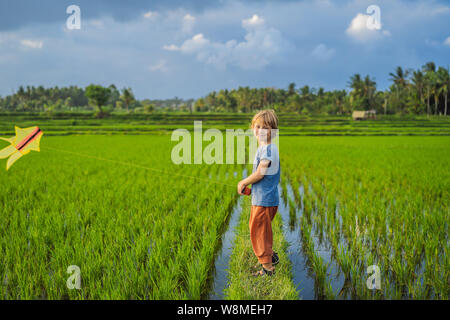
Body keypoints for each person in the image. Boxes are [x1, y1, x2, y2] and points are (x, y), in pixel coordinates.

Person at [237, 109, 280, 276]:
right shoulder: (265, 148)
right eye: (258, 126)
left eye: (266, 128)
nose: (261, 131)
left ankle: (268, 269)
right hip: (263, 198)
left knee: (260, 233)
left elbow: (261, 173)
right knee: (258, 229)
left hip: (265, 200)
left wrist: (243, 181)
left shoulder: (268, 150)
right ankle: (270, 257)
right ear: (252, 128)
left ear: (273, 131)